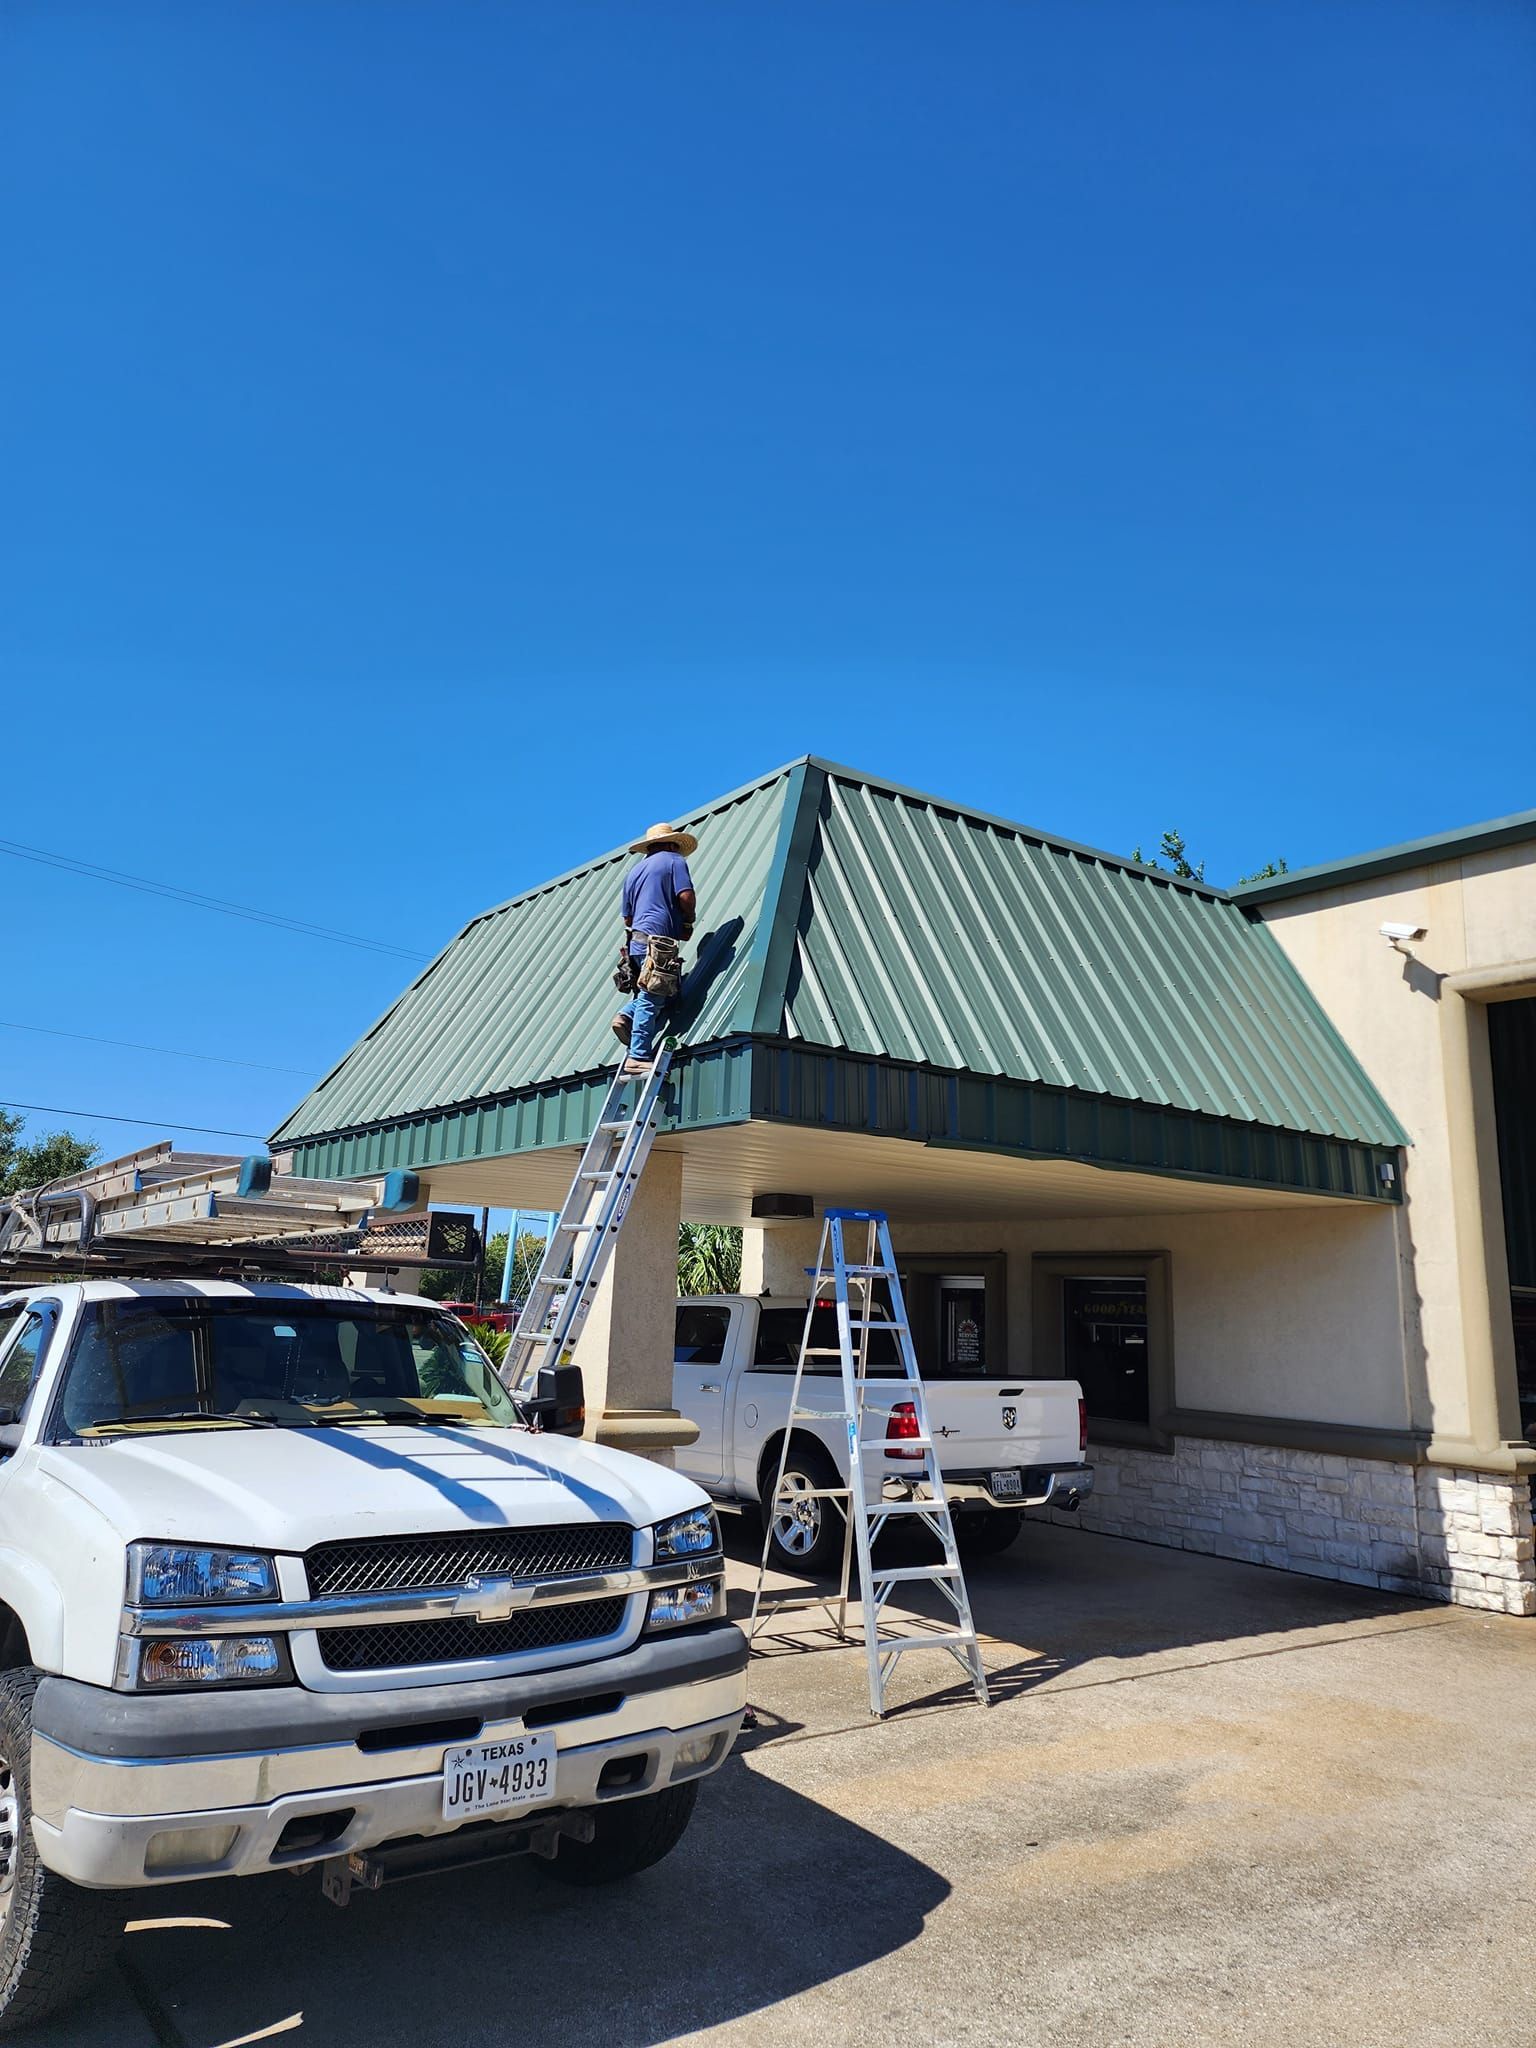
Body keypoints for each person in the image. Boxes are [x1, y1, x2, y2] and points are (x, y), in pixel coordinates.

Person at [613, 821, 697, 1073]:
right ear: (672, 843)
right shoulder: (674, 861)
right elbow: (686, 896)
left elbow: (627, 918)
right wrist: (688, 920)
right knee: (653, 996)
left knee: (654, 992)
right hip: (658, 941)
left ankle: (625, 1016)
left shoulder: (634, 873)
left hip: (636, 943)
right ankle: (637, 1056)